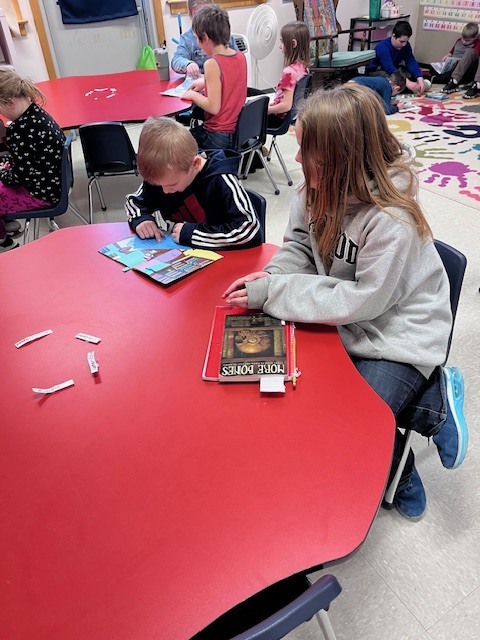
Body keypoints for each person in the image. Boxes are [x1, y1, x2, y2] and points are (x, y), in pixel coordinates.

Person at [222, 84, 468, 521]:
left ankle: (422, 423)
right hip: (352, 315)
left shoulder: (392, 219)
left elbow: (365, 302)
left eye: (306, 152)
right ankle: (420, 413)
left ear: (342, 159)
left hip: (397, 329)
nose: (297, 162)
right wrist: (276, 278)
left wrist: (277, 295)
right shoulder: (315, 188)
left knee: (356, 420)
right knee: (309, 398)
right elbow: (298, 242)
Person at [125, 116, 262, 249]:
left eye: (172, 185)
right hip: (182, 257)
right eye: (159, 185)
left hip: (223, 257)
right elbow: (133, 201)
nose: (165, 191)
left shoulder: (222, 180)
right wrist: (142, 220)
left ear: (195, 164)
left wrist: (192, 234)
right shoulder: (165, 178)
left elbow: (250, 230)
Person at [0, 69, 64, 253]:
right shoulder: (36, 114)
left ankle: (4, 241)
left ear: (10, 102)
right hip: (53, 183)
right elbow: (28, 161)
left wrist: (4, 172)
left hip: (41, 193)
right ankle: (8, 224)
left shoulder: (20, 130)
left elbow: (16, 179)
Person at [181, 4, 247, 151]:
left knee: (179, 145)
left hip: (217, 135)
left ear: (204, 37)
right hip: (238, 131)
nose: (197, 43)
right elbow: (230, 84)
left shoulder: (212, 64)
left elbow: (213, 107)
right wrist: (204, 82)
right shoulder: (240, 56)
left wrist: (192, 95)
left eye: (198, 39)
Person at [171, 0, 238, 79]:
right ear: (190, 14)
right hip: (201, 82)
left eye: (207, 14)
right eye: (198, 15)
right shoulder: (187, 38)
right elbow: (176, 60)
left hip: (220, 80)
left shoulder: (223, 33)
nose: (203, 20)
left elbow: (235, 61)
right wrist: (188, 64)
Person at [365, 21, 429, 96]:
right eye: (401, 41)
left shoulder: (406, 46)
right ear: (393, 36)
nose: (404, 44)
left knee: (408, 73)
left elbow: (410, 61)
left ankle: (411, 86)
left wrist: (420, 78)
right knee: (387, 78)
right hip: (377, 71)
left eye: (406, 41)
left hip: (394, 69)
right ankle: (404, 87)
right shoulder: (383, 47)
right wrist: (406, 82)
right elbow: (389, 68)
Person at [267, 20, 310, 128]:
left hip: (279, 120)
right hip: (292, 117)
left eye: (282, 42)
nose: (280, 46)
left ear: (293, 44)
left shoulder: (289, 73)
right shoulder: (304, 68)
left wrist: (266, 110)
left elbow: (286, 106)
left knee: (245, 117)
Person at [439, 22, 480, 99]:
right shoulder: (459, 41)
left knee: (470, 51)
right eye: (463, 39)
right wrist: (447, 56)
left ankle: (477, 85)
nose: (464, 42)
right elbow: (451, 52)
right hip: (460, 67)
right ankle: (454, 81)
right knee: (469, 51)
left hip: (472, 70)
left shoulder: (478, 42)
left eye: (467, 40)